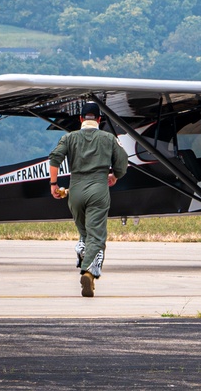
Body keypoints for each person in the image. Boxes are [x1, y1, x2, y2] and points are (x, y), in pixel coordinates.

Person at [49, 102, 128, 297]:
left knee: (85, 233)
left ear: (81, 119)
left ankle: (82, 252)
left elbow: (54, 159)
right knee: (97, 236)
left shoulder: (69, 138)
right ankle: (87, 272)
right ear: (100, 120)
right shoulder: (109, 138)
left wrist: (53, 185)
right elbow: (123, 161)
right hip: (98, 190)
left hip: (74, 191)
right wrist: (115, 175)